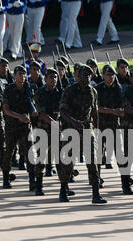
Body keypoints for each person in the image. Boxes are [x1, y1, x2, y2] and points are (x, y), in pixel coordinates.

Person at [57, 64, 107, 203]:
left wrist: (97, 131)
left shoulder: (93, 92)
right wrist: (73, 122)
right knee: (67, 161)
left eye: (89, 75)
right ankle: (63, 189)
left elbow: (94, 112)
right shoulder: (70, 90)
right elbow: (62, 111)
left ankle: (96, 193)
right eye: (85, 75)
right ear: (78, 76)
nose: (87, 78)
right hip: (70, 129)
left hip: (87, 129)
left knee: (93, 161)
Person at [95, 64, 130, 194]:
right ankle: (96, 181)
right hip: (101, 125)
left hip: (115, 126)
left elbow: (124, 105)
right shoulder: (98, 89)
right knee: (98, 155)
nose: (110, 77)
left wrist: (122, 111)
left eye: (112, 75)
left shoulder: (119, 88)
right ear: (103, 76)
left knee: (121, 155)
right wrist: (113, 111)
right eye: (108, 75)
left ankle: (125, 184)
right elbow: (96, 107)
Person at [2, 65, 37, 190]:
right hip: (12, 126)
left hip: (25, 127)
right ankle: (6, 178)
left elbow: (32, 106)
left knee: (30, 153)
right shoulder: (9, 89)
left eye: (23, 74)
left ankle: (32, 179)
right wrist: (19, 116)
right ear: (14, 76)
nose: (22, 77)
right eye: (19, 74)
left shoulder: (28, 89)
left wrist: (32, 112)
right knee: (9, 152)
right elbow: (6, 110)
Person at [32, 67, 62, 195]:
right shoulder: (40, 93)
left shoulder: (60, 93)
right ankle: (38, 185)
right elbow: (42, 113)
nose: (54, 79)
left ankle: (64, 186)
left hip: (57, 130)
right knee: (41, 158)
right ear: (45, 79)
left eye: (55, 77)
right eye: (51, 77)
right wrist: (55, 123)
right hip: (43, 129)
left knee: (61, 159)